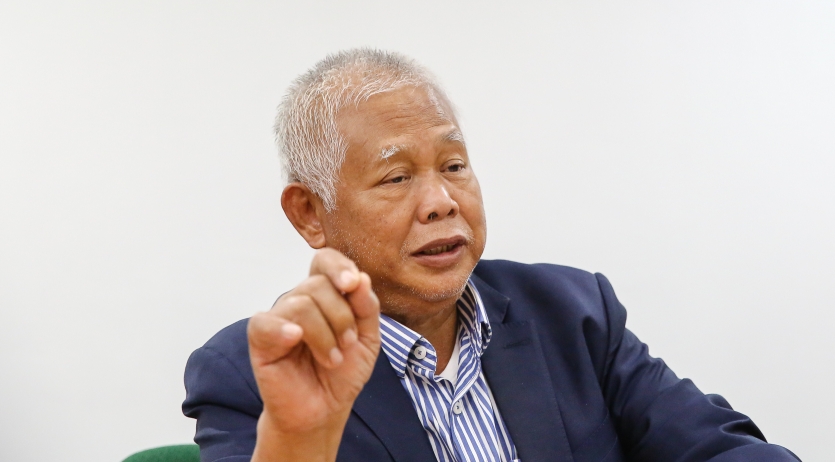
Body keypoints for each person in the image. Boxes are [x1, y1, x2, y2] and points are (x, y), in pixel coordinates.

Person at [183, 48, 799, 462]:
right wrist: (299, 436)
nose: (441, 202)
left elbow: (721, 448)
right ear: (309, 214)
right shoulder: (253, 372)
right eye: (396, 178)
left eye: (454, 166)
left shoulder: (573, 312)